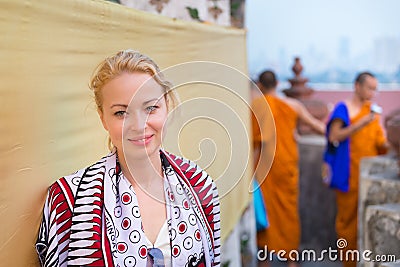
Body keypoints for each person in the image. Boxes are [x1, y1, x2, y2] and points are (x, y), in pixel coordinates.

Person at [35, 50, 221, 267]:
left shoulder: (201, 185)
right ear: (102, 117)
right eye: (121, 113)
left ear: (167, 107)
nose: (139, 125)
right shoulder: (69, 200)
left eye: (151, 108)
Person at [252, 70, 325, 267]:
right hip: (287, 166)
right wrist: (339, 135)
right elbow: (317, 126)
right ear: (277, 83)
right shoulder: (293, 105)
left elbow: (250, 141)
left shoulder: (256, 106)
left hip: (263, 168)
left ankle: (264, 260)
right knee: (288, 212)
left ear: (260, 84)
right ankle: (291, 260)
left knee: (265, 213)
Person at [324, 72, 388, 267]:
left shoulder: (371, 112)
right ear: (357, 86)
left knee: (368, 221)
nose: (372, 92)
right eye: (369, 87)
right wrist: (362, 122)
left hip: (370, 174)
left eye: (375, 89)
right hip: (348, 174)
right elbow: (334, 136)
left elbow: (380, 142)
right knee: (347, 223)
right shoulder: (344, 109)